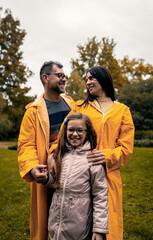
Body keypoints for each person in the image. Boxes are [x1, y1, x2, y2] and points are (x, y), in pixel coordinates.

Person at [48, 66, 135, 240]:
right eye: (86, 79)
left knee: (104, 227)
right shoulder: (80, 106)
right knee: (74, 224)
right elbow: (63, 135)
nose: (88, 82)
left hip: (108, 176)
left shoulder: (122, 111)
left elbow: (126, 148)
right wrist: (52, 153)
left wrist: (107, 156)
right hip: (77, 172)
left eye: (91, 78)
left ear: (104, 79)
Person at [18, 61, 75, 240]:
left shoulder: (71, 104)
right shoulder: (33, 112)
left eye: (64, 75)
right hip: (49, 173)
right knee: (48, 219)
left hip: (74, 172)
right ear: (45, 78)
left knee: (74, 220)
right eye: (59, 75)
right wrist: (33, 167)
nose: (63, 78)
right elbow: (26, 145)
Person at [44, 113, 108, 240]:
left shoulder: (92, 159)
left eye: (79, 130)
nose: (74, 134)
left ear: (87, 132)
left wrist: (99, 229)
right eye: (71, 130)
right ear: (65, 131)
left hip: (79, 224)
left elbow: (100, 195)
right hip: (55, 219)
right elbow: (55, 182)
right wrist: (46, 178)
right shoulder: (60, 155)